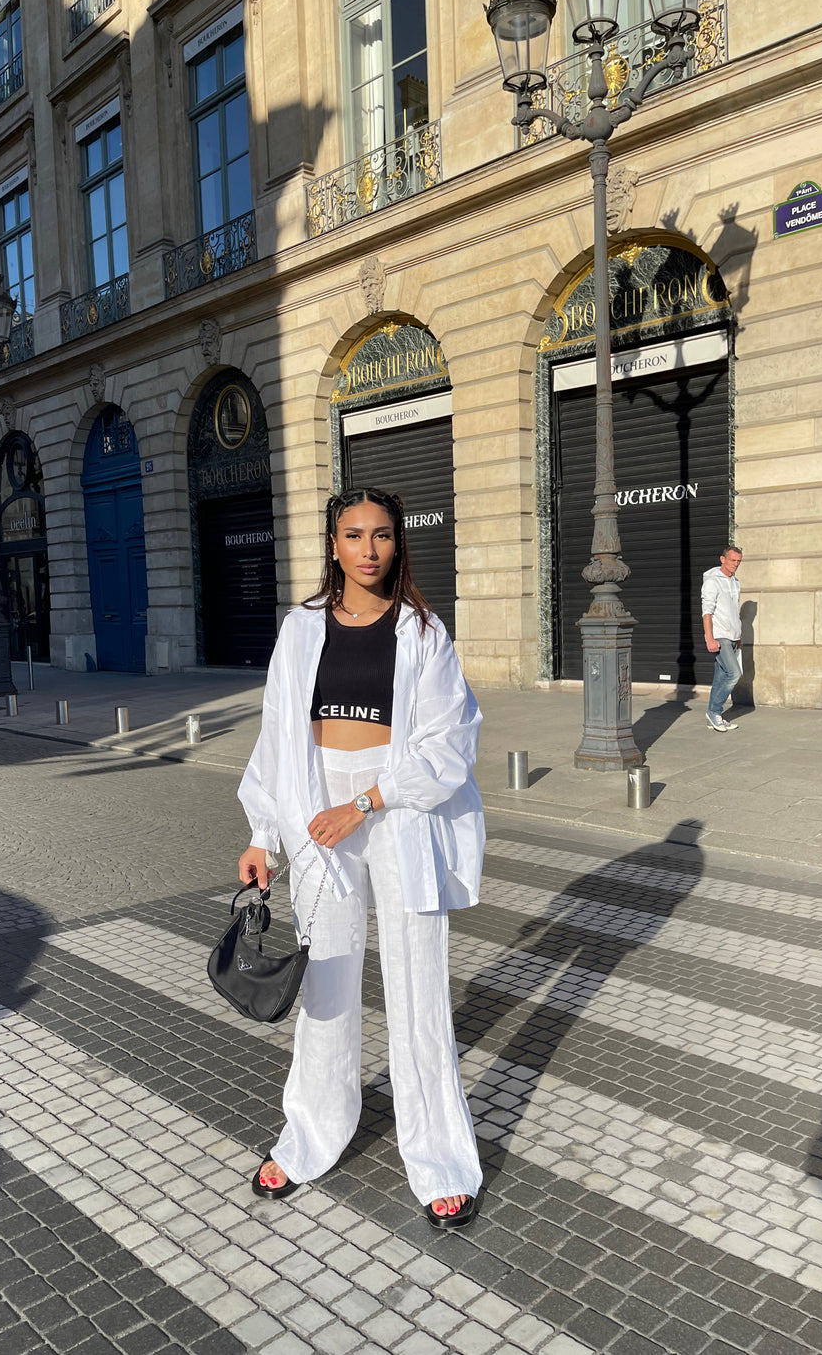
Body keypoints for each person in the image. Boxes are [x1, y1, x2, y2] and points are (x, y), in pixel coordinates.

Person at [237, 486, 484, 1228]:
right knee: (327, 981)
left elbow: (450, 740)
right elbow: (278, 734)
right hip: (317, 808)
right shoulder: (301, 628)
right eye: (354, 535)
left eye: (381, 534)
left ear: (397, 542)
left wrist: (369, 801)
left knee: (418, 989)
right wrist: (261, 833)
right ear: (333, 544)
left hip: (398, 810)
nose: (369, 549)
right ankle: (311, 1132)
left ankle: (439, 1155)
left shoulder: (423, 631)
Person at [701, 545, 743, 731]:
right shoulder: (712, 582)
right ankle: (714, 713)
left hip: (733, 636)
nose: (736, 564)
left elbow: (734, 611)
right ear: (723, 559)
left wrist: (739, 636)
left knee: (720, 676)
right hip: (720, 636)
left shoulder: (735, 582)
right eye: (733, 560)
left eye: (739, 561)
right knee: (734, 674)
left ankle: (713, 714)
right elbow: (707, 612)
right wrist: (709, 638)